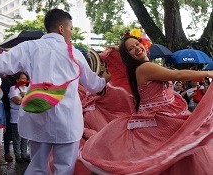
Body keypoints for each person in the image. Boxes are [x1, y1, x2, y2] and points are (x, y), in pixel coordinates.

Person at [0, 8, 109, 174]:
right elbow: (94, 85)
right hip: (67, 120)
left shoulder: (30, 47)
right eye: (70, 28)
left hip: (38, 114)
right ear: (62, 28)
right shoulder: (75, 53)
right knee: (65, 169)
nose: (72, 33)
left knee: (37, 167)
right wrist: (105, 80)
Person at [79, 29, 213, 174]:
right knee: (183, 150)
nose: (136, 48)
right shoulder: (145, 68)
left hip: (166, 117)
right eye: (131, 49)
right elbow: (178, 74)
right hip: (161, 121)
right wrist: (207, 73)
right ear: (128, 56)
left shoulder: (142, 67)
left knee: (180, 153)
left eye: (137, 44)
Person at [8, 72, 30, 163]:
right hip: (16, 116)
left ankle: (24, 154)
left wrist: (23, 96)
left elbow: (33, 101)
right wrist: (27, 97)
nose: (24, 80)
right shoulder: (13, 88)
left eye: (25, 78)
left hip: (26, 116)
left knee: (25, 137)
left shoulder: (28, 88)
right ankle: (18, 155)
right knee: (17, 138)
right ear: (17, 80)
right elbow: (17, 101)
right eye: (22, 78)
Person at [1, 75, 16, 162]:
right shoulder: (6, 80)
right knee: (8, 131)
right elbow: (5, 94)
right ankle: (7, 152)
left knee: (20, 131)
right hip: (7, 108)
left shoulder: (21, 77)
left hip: (18, 108)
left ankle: (22, 153)